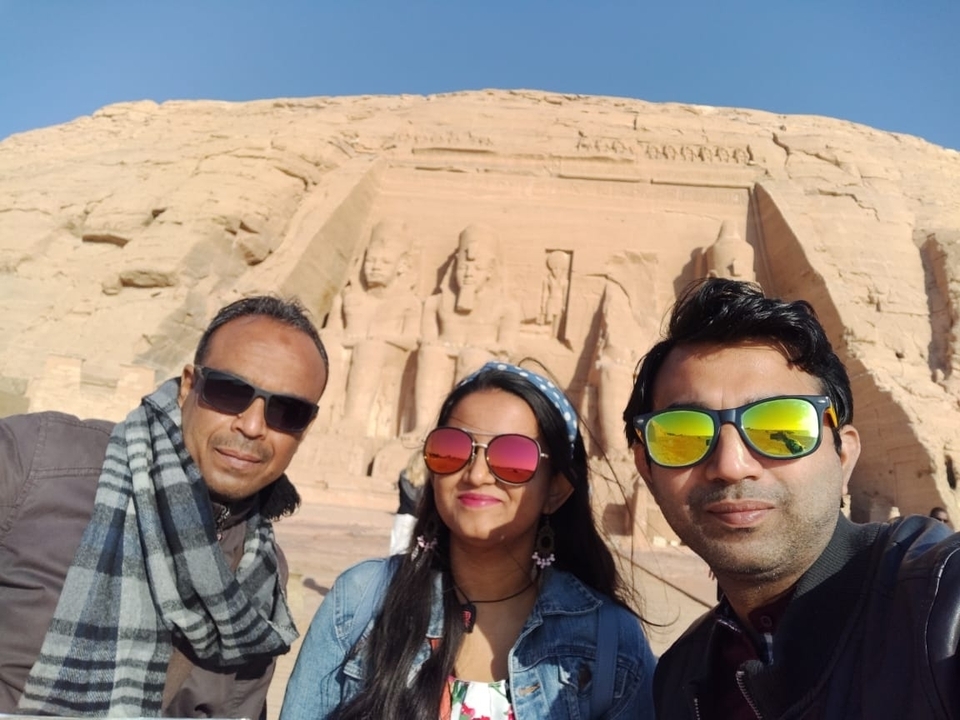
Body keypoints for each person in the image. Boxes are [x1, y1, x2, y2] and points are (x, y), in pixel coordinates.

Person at [623, 277, 960, 719]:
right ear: (645, 468)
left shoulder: (939, 604)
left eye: (782, 428)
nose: (731, 464)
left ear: (844, 454)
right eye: (683, 435)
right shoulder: (682, 678)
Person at [0, 295, 329, 718]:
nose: (251, 426)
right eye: (230, 392)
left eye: (288, 410)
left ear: (306, 427)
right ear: (190, 386)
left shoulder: (261, 572)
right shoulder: (35, 464)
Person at [282, 361, 656, 720]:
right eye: (452, 449)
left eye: (513, 456)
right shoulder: (359, 602)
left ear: (555, 491)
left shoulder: (611, 642)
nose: (476, 474)